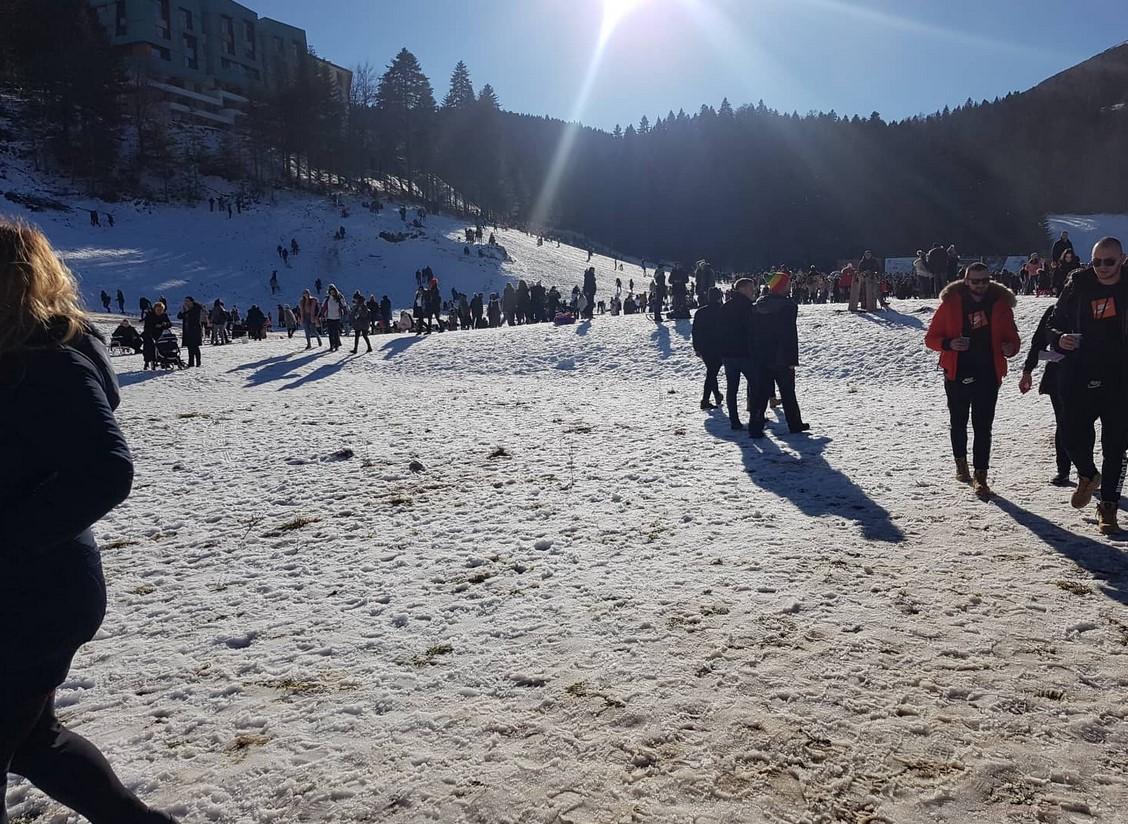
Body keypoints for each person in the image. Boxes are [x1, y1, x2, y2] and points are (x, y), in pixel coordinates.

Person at [0, 219, 179, 824]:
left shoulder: (45, 357)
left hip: (37, 593)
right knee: (32, 742)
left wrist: (9, 541)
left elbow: (106, 468)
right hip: (30, 587)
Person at [1049, 237, 1128, 534]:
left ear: (1122, 259)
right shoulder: (1079, 283)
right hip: (1080, 372)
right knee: (1070, 435)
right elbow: (1053, 322)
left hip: (1120, 376)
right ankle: (1086, 474)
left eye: (1109, 261)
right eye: (1097, 262)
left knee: (1116, 446)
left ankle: (1108, 506)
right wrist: (1059, 338)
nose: (1103, 268)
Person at [924, 262, 1020, 499]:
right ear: (966, 281)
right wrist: (949, 344)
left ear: (990, 280)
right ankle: (961, 465)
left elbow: (1013, 339)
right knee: (958, 422)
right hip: (957, 373)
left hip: (988, 374)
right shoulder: (951, 304)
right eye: (975, 281)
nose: (980, 285)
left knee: (983, 427)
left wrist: (1010, 348)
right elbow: (931, 339)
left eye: (984, 280)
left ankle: (981, 476)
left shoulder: (1001, 305)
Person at [748, 273, 809, 437]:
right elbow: (789, 335)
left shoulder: (758, 305)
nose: (790, 286)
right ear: (782, 287)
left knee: (760, 393)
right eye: (788, 284)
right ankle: (795, 424)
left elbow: (754, 333)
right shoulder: (788, 306)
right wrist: (791, 359)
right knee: (788, 393)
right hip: (781, 356)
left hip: (762, 355)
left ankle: (755, 426)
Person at [1019, 304, 1069, 486]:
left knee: (1082, 424)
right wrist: (1027, 371)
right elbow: (1038, 342)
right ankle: (1063, 469)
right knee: (1064, 422)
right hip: (1058, 377)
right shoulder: (1055, 310)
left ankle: (1086, 471)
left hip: (1092, 376)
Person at [717, 277, 759, 431]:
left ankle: (734, 421)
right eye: (750, 288)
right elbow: (754, 331)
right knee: (755, 386)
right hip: (746, 353)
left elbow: (719, 331)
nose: (753, 290)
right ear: (741, 289)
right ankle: (755, 418)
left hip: (728, 354)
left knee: (732, 388)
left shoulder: (725, 307)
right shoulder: (749, 307)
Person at [691, 286, 725, 410]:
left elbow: (695, 331)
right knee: (712, 373)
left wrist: (697, 347)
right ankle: (705, 400)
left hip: (705, 347)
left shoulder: (700, 312)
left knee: (711, 371)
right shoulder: (723, 311)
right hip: (719, 346)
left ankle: (717, 395)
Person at [141, 301, 171, 370]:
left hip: (161, 334)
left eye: (161, 310)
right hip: (150, 333)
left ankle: (165, 360)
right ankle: (147, 362)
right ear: (154, 309)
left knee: (165, 344)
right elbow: (147, 326)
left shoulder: (164, 315)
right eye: (158, 310)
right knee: (149, 346)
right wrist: (156, 326)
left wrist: (165, 324)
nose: (159, 311)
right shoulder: (149, 315)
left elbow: (170, 324)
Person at [177, 297, 203, 367]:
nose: (186, 303)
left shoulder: (196, 308)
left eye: (187, 301)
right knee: (189, 347)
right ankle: (191, 363)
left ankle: (198, 362)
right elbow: (179, 317)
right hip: (187, 330)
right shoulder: (186, 309)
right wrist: (182, 311)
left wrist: (186, 311)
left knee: (195, 347)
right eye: (185, 301)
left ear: (191, 302)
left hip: (195, 330)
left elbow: (194, 318)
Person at [322, 285, 346, 352]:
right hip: (329, 317)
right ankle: (331, 346)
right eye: (331, 292)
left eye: (333, 292)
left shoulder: (339, 298)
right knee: (330, 333)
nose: (332, 293)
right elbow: (323, 307)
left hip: (337, 317)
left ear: (335, 292)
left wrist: (344, 312)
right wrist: (322, 315)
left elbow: (344, 305)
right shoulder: (327, 298)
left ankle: (336, 346)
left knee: (336, 332)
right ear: (329, 292)